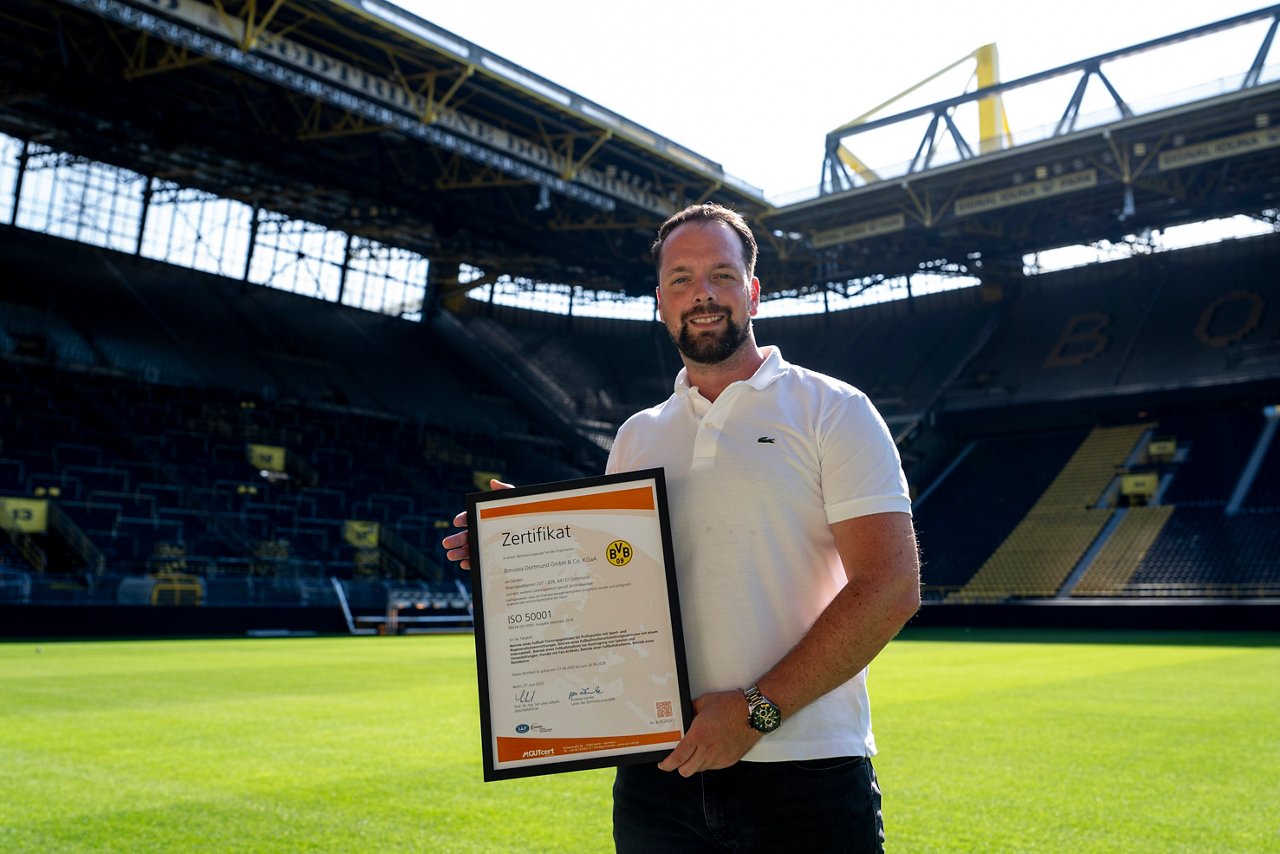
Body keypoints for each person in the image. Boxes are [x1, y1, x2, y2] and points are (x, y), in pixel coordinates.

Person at [443, 202, 920, 852]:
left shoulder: (833, 410)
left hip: (806, 775)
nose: (702, 294)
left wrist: (755, 713)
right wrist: (519, 546)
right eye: (681, 279)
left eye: (722, 275)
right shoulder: (637, 437)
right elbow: (612, 595)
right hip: (657, 779)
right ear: (661, 304)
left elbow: (890, 586)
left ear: (752, 292)